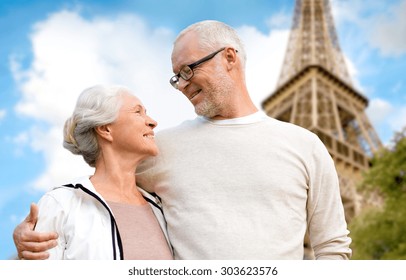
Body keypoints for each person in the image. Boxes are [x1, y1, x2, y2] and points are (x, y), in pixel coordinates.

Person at [13, 20, 351, 260]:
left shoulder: (305, 146)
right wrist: (30, 237)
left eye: (188, 70)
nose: (182, 85)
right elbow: (103, 188)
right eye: (176, 78)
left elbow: (332, 247)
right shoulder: (161, 149)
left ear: (229, 58)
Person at [14, 85, 173, 260]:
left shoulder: (161, 207)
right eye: (138, 112)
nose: (152, 122)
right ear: (105, 129)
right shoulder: (62, 204)